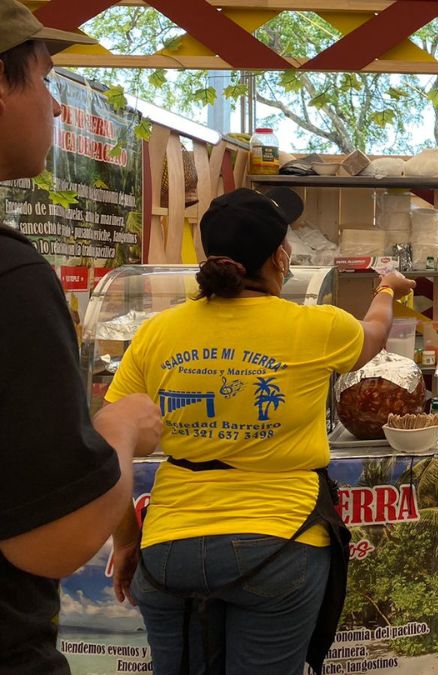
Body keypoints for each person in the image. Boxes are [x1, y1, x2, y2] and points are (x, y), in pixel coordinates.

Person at [104, 189, 417, 674]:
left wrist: (126, 543)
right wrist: (387, 288)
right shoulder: (316, 326)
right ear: (280, 256)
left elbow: (107, 452)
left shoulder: (156, 332)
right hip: (280, 546)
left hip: (168, 551)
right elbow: (374, 333)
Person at [0, 5, 164, 673]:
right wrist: (120, 427)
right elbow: (52, 541)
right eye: (44, 79)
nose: (58, 109)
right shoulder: (11, 277)